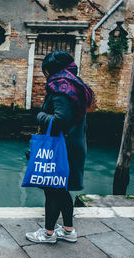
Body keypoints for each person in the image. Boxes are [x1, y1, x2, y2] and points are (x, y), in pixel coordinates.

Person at [25, 51, 95, 244]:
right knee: (62, 190)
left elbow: (60, 119)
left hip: (60, 148)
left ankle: (48, 233)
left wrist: (39, 116)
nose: (45, 75)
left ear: (52, 69)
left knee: (53, 189)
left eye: (46, 70)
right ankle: (68, 230)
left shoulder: (60, 87)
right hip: (73, 144)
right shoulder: (75, 84)